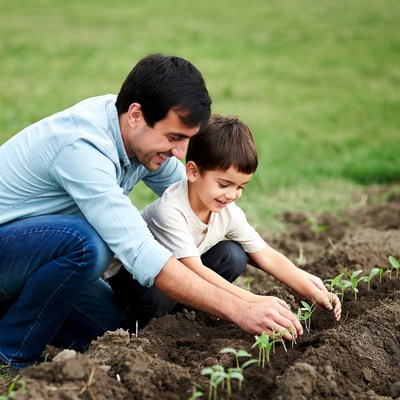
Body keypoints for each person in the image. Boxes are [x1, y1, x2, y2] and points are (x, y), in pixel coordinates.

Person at [0, 54, 303, 369]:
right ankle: (11, 354)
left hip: (35, 262)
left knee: (116, 330)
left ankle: (12, 313)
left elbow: (195, 197)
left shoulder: (137, 137)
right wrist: (241, 308)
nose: (179, 153)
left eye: (187, 139)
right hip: (10, 252)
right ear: (136, 115)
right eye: (174, 137)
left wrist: (299, 278)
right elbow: (142, 254)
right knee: (89, 242)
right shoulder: (82, 147)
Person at [109, 114, 341, 329]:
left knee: (233, 254)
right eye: (224, 184)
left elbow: (265, 254)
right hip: (135, 279)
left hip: (182, 277)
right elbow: (194, 271)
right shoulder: (171, 211)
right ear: (192, 171)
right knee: (158, 297)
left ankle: (182, 318)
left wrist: (310, 289)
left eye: (240, 187)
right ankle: (134, 329)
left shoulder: (227, 211)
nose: (232, 195)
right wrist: (251, 301)